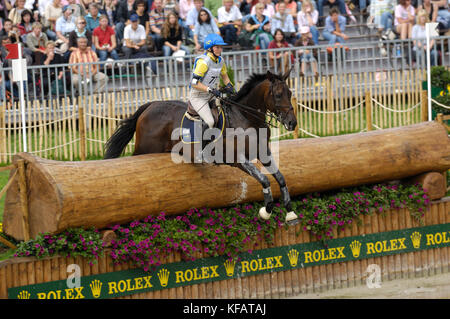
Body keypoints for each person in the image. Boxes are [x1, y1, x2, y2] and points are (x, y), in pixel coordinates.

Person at [189, 33, 234, 161]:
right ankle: (201, 152)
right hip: (198, 96)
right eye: (217, 47)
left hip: (211, 95)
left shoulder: (221, 61)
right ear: (210, 48)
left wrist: (231, 88)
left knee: (229, 112)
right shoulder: (204, 62)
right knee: (210, 121)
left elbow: (225, 77)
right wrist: (209, 89)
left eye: (221, 47)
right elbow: (194, 83)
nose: (220, 49)